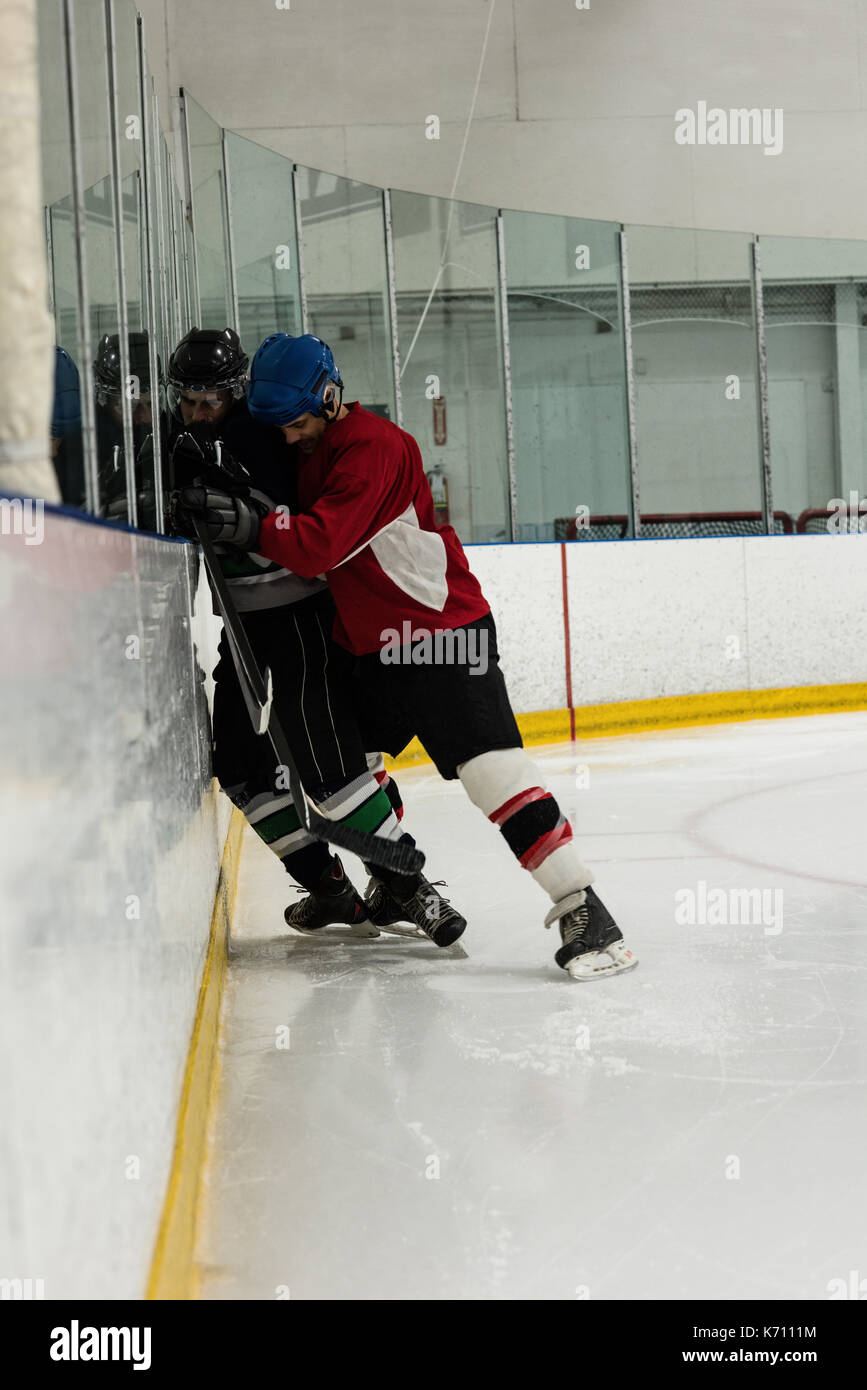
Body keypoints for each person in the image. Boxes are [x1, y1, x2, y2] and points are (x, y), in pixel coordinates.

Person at [177, 333, 638, 981]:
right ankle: (395, 883)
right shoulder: (314, 445)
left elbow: (319, 547)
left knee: (492, 777)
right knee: (341, 770)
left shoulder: (374, 447)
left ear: (330, 397)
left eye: (296, 421)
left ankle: (584, 909)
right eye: (275, 424)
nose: (286, 436)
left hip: (441, 636)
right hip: (374, 646)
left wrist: (248, 525)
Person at [167, 328, 466, 947]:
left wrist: (245, 521)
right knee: (242, 768)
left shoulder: (267, 433)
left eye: (212, 398)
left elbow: (309, 533)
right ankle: (329, 886)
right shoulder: (176, 441)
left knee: (328, 773)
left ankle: (410, 886)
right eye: (188, 399)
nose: (200, 410)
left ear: (237, 390)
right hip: (243, 628)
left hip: (302, 621)